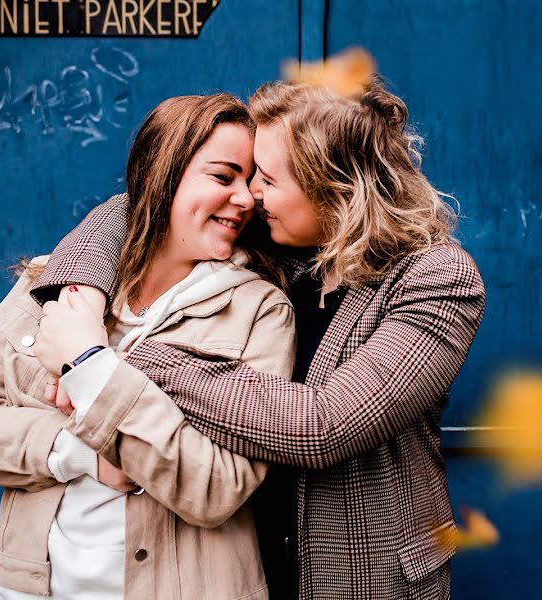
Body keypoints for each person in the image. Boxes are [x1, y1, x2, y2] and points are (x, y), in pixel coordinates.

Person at [33, 78, 486, 599]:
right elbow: (136, 207)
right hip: (253, 565)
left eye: (267, 179)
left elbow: (325, 426)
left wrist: (124, 358)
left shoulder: (436, 278)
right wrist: (83, 297)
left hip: (365, 575)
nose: (251, 196)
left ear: (331, 186)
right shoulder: (291, 248)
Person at [0, 94, 296, 600]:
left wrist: (89, 367)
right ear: (160, 174)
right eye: (223, 176)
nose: (246, 198)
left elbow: (220, 486)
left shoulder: (261, 311)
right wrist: (81, 452)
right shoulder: (50, 285)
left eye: (252, 181)